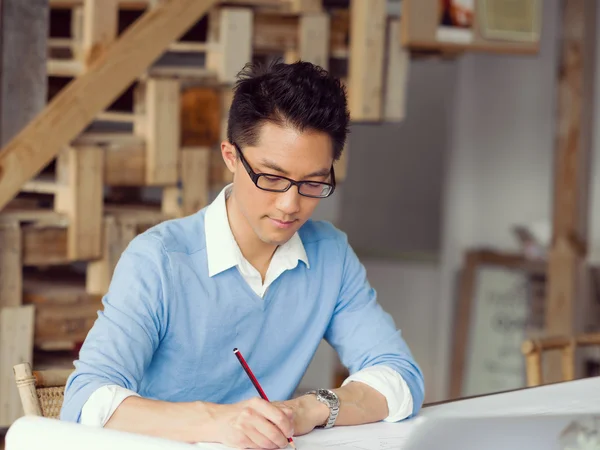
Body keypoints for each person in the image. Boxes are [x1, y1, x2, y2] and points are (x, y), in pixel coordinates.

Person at [60, 60, 425, 448]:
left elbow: (400, 376)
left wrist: (312, 408)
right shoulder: (160, 260)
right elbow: (86, 400)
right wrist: (217, 421)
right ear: (231, 157)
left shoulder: (330, 255)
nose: (290, 205)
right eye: (271, 177)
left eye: (313, 183)